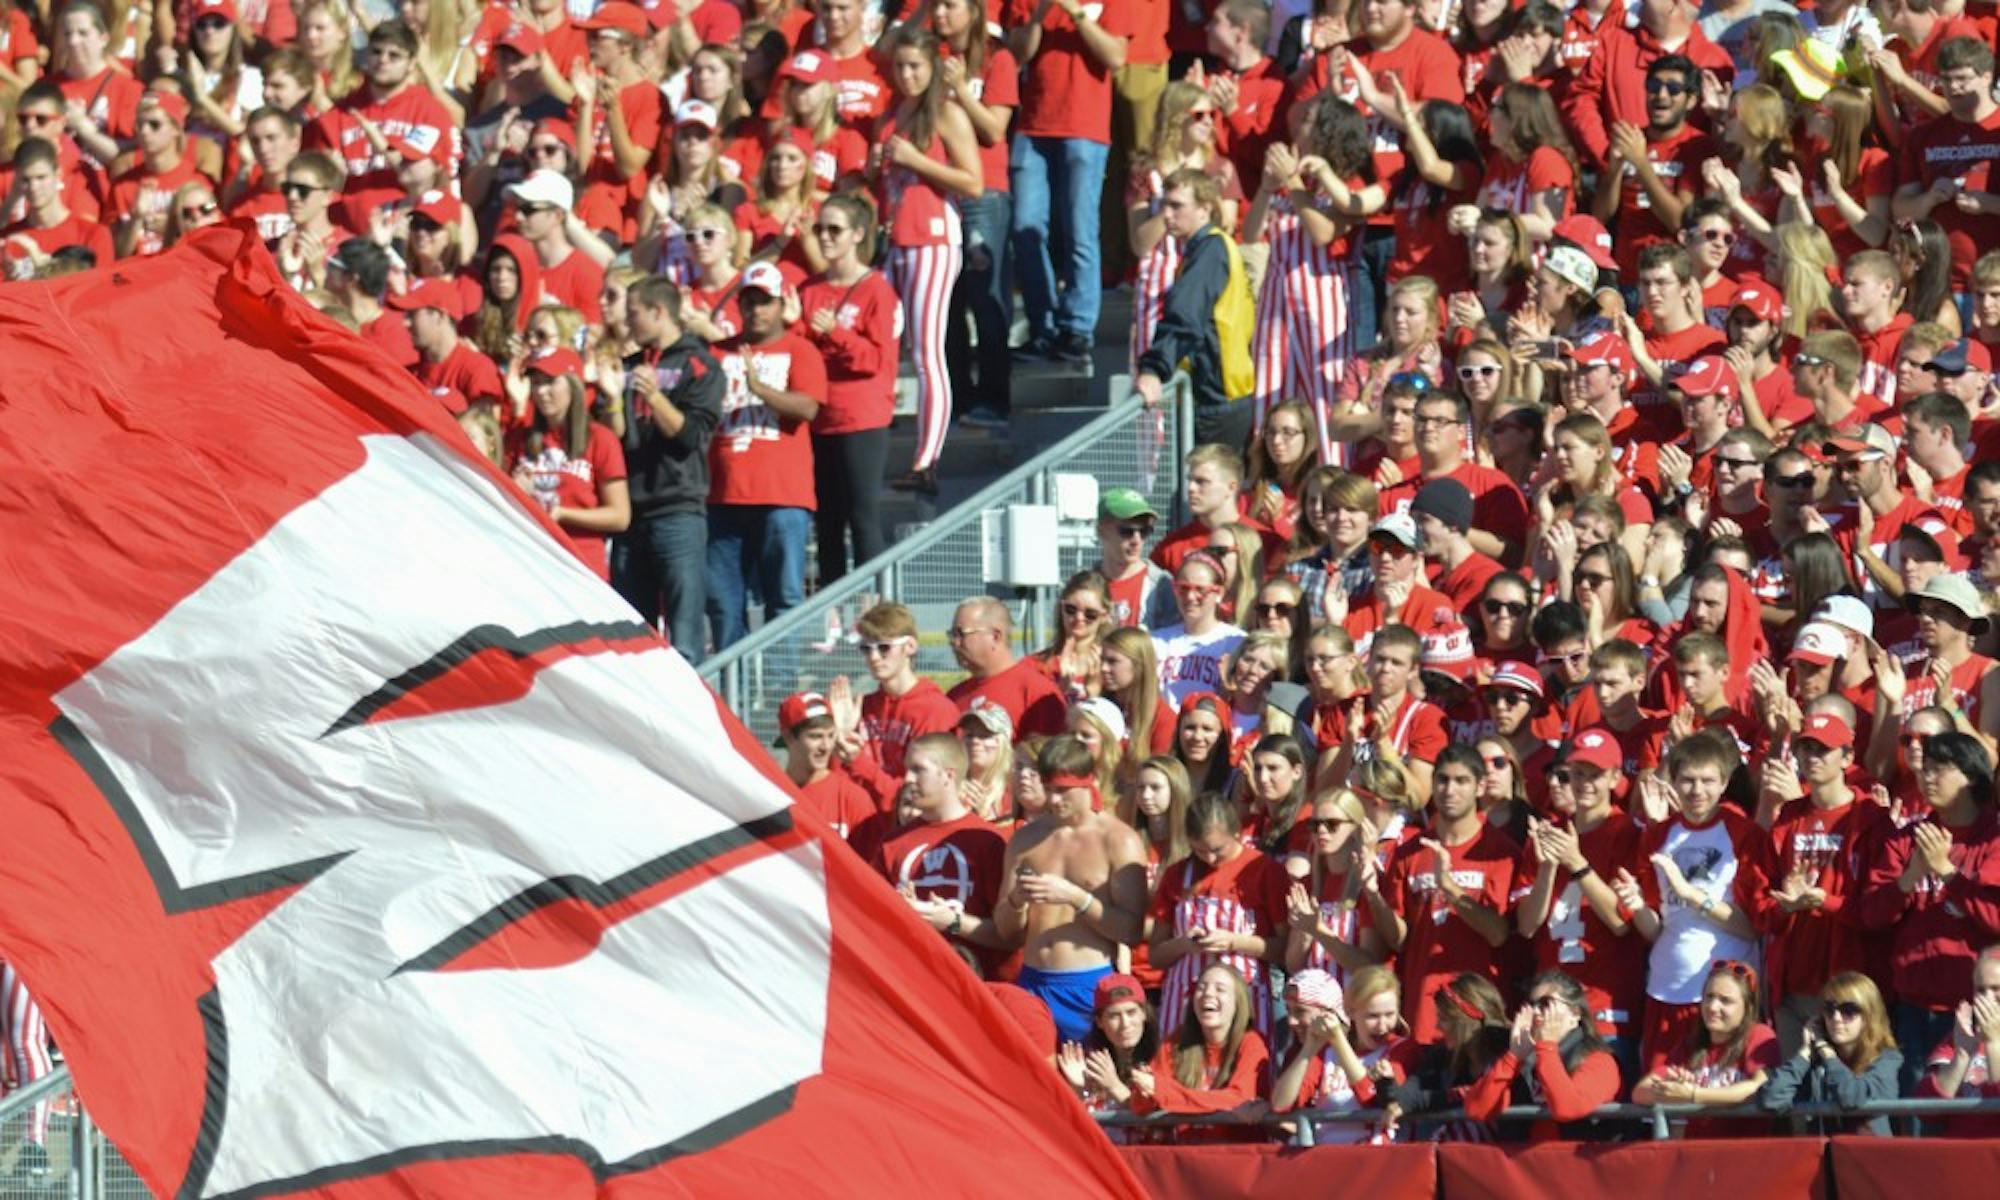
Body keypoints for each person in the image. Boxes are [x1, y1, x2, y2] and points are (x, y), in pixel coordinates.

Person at [1611, 730, 1774, 1066]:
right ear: (1672, 781)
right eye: (1687, 780)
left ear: (1725, 782)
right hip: (1667, 987)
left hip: (1727, 996)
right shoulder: (1657, 835)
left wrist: (1691, 894)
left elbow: (1753, 928)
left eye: (1707, 781)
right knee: (1663, 1099)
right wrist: (1637, 904)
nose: (1697, 791)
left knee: (1717, 1105)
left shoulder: (1744, 835)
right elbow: (1655, 929)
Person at [1858, 730, 2000, 1092]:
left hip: (1980, 1012)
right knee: (1920, 1124)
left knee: (1979, 1122)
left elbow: (1995, 917)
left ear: (1970, 775)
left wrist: (1948, 874)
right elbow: (1872, 915)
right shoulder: (1906, 839)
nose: (1927, 777)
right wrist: (1911, 877)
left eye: (1940, 769)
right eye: (1924, 769)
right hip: (1914, 1009)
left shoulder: (1993, 838)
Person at [874, 25, 983, 493]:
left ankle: (927, 459)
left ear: (932, 67)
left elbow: (973, 182)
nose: (907, 74)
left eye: (915, 65)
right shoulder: (891, 115)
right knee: (887, 343)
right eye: (900, 66)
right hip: (894, 239)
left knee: (926, 351)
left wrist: (916, 161)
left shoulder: (946, 114)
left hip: (933, 239)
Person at [1003, 0, 1134, 365]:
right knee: (1025, 227)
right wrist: (1042, 12)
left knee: (1080, 229)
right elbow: (1017, 54)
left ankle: (1077, 328)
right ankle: (1042, 326)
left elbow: (1116, 56)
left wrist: (1075, 13)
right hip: (1034, 124)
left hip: (1084, 126)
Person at [995, 736, 1149, 1044]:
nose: (1053, 801)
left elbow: (1131, 930)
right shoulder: (1027, 840)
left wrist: (1077, 898)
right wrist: (1016, 901)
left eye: (1063, 791)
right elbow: (1006, 933)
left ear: (1087, 784)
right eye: (1049, 789)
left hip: (1088, 984)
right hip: (1034, 979)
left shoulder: (1118, 840)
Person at [703, 260, 822, 649]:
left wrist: (760, 389)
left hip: (782, 496)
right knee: (723, 601)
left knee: (783, 598)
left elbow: (807, 408)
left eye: (765, 302)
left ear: (780, 304)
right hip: (722, 494)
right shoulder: (717, 352)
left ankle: (779, 687)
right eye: (750, 301)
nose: (757, 310)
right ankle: (730, 686)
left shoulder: (800, 350)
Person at [604, 274, 723, 659]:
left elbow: (690, 437)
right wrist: (611, 400)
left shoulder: (700, 364)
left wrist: (654, 398)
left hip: (678, 510)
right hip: (632, 514)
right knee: (632, 638)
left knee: (685, 638)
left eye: (634, 313)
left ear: (659, 312)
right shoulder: (628, 364)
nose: (628, 322)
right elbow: (619, 438)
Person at [1514, 729, 1647, 1070]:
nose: (1586, 783)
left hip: (1606, 1006)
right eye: (1578, 774)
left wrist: (1577, 864)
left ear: (1616, 777)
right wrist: (1546, 869)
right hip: (1552, 1007)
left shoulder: (1628, 833)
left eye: (1596, 774)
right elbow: (1527, 926)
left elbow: (1620, 923)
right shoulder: (1548, 833)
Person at [1367, 743, 1518, 1043]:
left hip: (1478, 1015)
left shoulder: (1501, 852)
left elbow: (1498, 933)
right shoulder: (1409, 852)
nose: (1450, 790)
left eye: (1461, 781)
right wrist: (1372, 894)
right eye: (1443, 780)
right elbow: (1399, 939)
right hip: (1422, 1010)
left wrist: (1449, 887)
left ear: (1480, 787)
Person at [798, 192, 897, 579]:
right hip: (820, 417)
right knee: (827, 523)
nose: (824, 237)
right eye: (819, 228)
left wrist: (836, 334)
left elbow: (876, 359)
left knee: (863, 517)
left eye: (834, 229)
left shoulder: (876, 290)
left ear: (858, 234)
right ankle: (832, 613)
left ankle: (874, 608)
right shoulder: (810, 289)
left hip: (861, 417)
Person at [1133, 167, 1257, 451]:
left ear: (1205, 209)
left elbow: (1185, 316)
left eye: (1177, 206)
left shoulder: (1210, 250)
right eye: (1164, 204)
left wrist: (1154, 369)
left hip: (1217, 400)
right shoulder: (1210, 249)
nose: (1166, 214)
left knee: (1204, 489)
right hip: (1225, 395)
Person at [1147, 793, 1287, 1037]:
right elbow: (1156, 955)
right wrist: (1184, 944)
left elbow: (1285, 950)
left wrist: (1235, 942)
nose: (1210, 858)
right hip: (1184, 999)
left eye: (1217, 850)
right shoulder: (1177, 875)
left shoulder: (1263, 870)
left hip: (1244, 997)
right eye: (1199, 850)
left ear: (1236, 833)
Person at [877, 732, 1012, 977]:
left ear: (948, 776)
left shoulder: (987, 840)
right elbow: (873, 922)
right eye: (907, 769)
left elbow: (1010, 937)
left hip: (976, 986)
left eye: (918, 770)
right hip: (911, 981)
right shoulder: (892, 843)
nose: (907, 778)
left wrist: (954, 922)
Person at [506, 346, 632, 579]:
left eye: (551, 381)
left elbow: (620, 516)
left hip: (581, 566)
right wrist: (514, 489)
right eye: (536, 382)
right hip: (531, 562)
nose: (541, 391)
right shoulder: (518, 438)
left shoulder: (600, 438)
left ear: (573, 384)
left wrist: (563, 514)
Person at [831, 601, 963, 810]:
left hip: (908, 827)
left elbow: (921, 795)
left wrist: (858, 762)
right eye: (866, 649)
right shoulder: (862, 706)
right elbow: (837, 785)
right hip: (863, 827)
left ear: (910, 646)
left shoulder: (935, 710)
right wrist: (840, 737)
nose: (874, 657)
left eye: (884, 647)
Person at [1461, 970, 1622, 1139]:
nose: (1537, 1012)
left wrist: (1547, 1047)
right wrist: (1513, 1057)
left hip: (1576, 1161)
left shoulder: (1598, 1059)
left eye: (1546, 1004)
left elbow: (1567, 1108)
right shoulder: (1525, 1059)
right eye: (1532, 1005)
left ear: (1575, 1014)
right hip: (1522, 1162)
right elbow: (1476, 1109)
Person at [1269, 965, 1415, 1142]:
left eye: (1389, 1015)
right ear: (1351, 1012)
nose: (1382, 1026)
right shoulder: (1327, 1053)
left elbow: (1372, 1102)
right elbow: (1281, 1104)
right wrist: (1309, 1048)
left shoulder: (1401, 1050)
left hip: (1376, 1160)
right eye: (1373, 1016)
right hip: (1329, 1159)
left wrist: (1338, 1041)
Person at [1631, 959, 1779, 1119]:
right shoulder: (1690, 1044)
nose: (1713, 1007)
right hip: (1694, 1143)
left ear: (1748, 1007)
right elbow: (1640, 1092)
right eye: (1709, 997)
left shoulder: (1760, 1035)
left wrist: (1694, 1094)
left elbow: (1759, 1088)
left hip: (1745, 1143)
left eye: (1725, 1000)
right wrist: (1672, 1089)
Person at [1759, 971, 1904, 1135]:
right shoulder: (1816, 1061)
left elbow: (1851, 1098)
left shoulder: (1887, 1059)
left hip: (1866, 1156)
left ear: (1868, 1016)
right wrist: (1805, 1053)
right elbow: (1771, 1099)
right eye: (1829, 1009)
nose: (1836, 1017)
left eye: (1848, 1010)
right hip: (1825, 1157)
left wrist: (1829, 1056)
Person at [944, 596, 1069, 737]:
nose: (954, 642)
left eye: (961, 634)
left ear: (995, 636)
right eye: (952, 634)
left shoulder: (1035, 692)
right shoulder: (955, 696)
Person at [1916, 945, 2000, 1136]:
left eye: (1996, 989)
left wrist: (1994, 1045)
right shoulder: (1964, 1035)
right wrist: (1961, 1056)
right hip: (1959, 1156)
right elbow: (1926, 1110)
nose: (1987, 998)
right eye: (1980, 990)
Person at [1055, 973, 1162, 1121]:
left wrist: (1113, 1085)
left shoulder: (1164, 1058)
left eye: (1131, 1013)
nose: (1125, 1024)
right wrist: (1079, 1089)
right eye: (1114, 1016)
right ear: (1099, 1021)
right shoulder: (1092, 1064)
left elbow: (1155, 1119)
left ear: (1144, 1014)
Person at [777, 690, 875, 839]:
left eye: (831, 735)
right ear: (788, 737)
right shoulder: (772, 793)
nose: (826, 746)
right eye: (816, 736)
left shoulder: (852, 798)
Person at [1095, 488, 1178, 630]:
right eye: (1127, 531)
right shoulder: (1084, 585)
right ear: (1101, 531)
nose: (1137, 540)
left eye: (1145, 531)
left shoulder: (1162, 586)